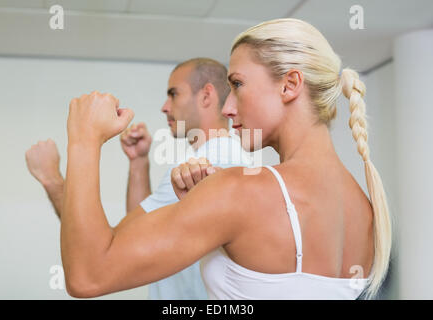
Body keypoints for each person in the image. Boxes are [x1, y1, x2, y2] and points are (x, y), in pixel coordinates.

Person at [59, 18, 392, 300]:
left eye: (237, 84)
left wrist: (84, 139)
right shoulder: (365, 208)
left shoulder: (241, 190)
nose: (228, 107)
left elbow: (88, 275)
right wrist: (205, 203)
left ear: (290, 85)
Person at [25, 58, 252, 299]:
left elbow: (100, 258)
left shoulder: (210, 163)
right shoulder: (217, 159)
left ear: (206, 95)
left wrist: (54, 176)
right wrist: (138, 162)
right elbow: (141, 232)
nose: (165, 106)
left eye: (173, 94)